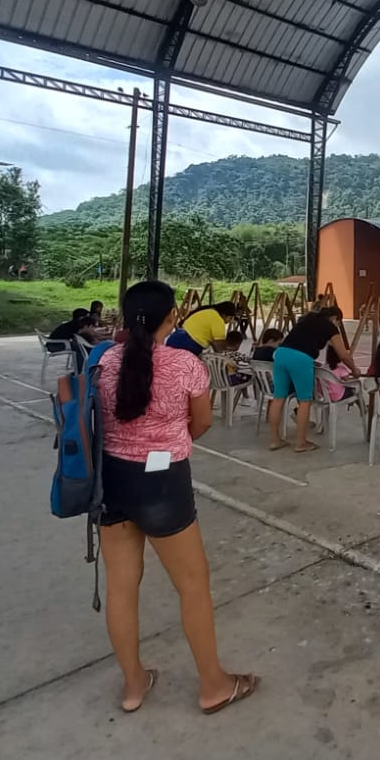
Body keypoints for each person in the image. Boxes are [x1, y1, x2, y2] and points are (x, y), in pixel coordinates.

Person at [93, 280, 258, 716]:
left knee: (121, 589)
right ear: (172, 316)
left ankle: (133, 685)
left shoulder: (105, 360)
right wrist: (167, 439)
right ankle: (213, 685)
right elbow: (200, 423)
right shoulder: (185, 364)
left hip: (111, 480)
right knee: (193, 586)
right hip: (162, 483)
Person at [268, 305, 359, 453]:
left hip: (281, 354)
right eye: (338, 322)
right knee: (305, 401)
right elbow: (343, 355)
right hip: (301, 359)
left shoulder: (307, 319)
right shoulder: (330, 327)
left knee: (278, 398)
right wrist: (354, 370)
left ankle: (274, 440)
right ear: (334, 318)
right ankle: (301, 442)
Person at [166, 302, 238, 358]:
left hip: (175, 337)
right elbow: (219, 348)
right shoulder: (218, 320)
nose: (229, 321)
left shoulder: (208, 311)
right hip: (187, 345)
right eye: (230, 318)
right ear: (226, 315)